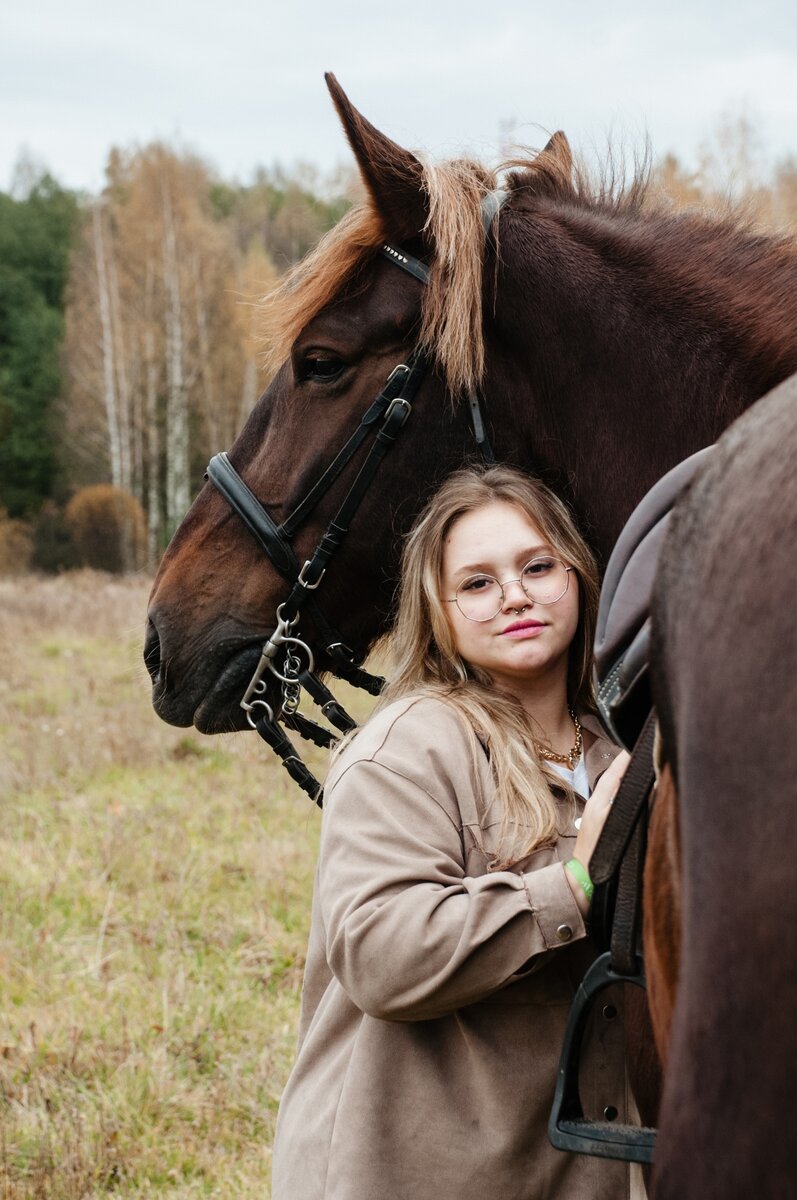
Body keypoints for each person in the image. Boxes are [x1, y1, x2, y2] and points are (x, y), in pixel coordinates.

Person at [271, 465, 640, 1200]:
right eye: (476, 583)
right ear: (435, 611)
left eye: (537, 566)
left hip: (576, 1170)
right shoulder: (407, 749)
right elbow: (380, 952)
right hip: (411, 1174)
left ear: (578, 576)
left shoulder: (621, 754)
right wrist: (574, 886)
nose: (514, 595)